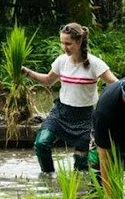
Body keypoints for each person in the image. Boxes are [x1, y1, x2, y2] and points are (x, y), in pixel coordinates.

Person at [22, 22, 117, 173]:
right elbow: (48, 81)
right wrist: (28, 73)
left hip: (86, 117)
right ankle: (48, 177)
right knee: (41, 144)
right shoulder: (61, 61)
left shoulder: (95, 64)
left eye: (68, 44)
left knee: (81, 164)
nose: (64, 47)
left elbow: (115, 84)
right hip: (61, 113)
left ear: (79, 42)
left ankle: (80, 185)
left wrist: (108, 107)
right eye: (62, 43)